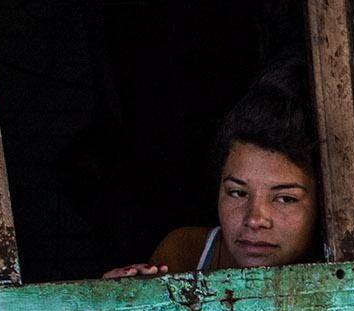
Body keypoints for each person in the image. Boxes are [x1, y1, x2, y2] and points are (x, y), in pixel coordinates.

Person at [103, 60, 319, 278]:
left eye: (285, 198)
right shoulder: (186, 255)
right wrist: (122, 302)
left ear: (322, 201)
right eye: (237, 192)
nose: (254, 219)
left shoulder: (346, 264)